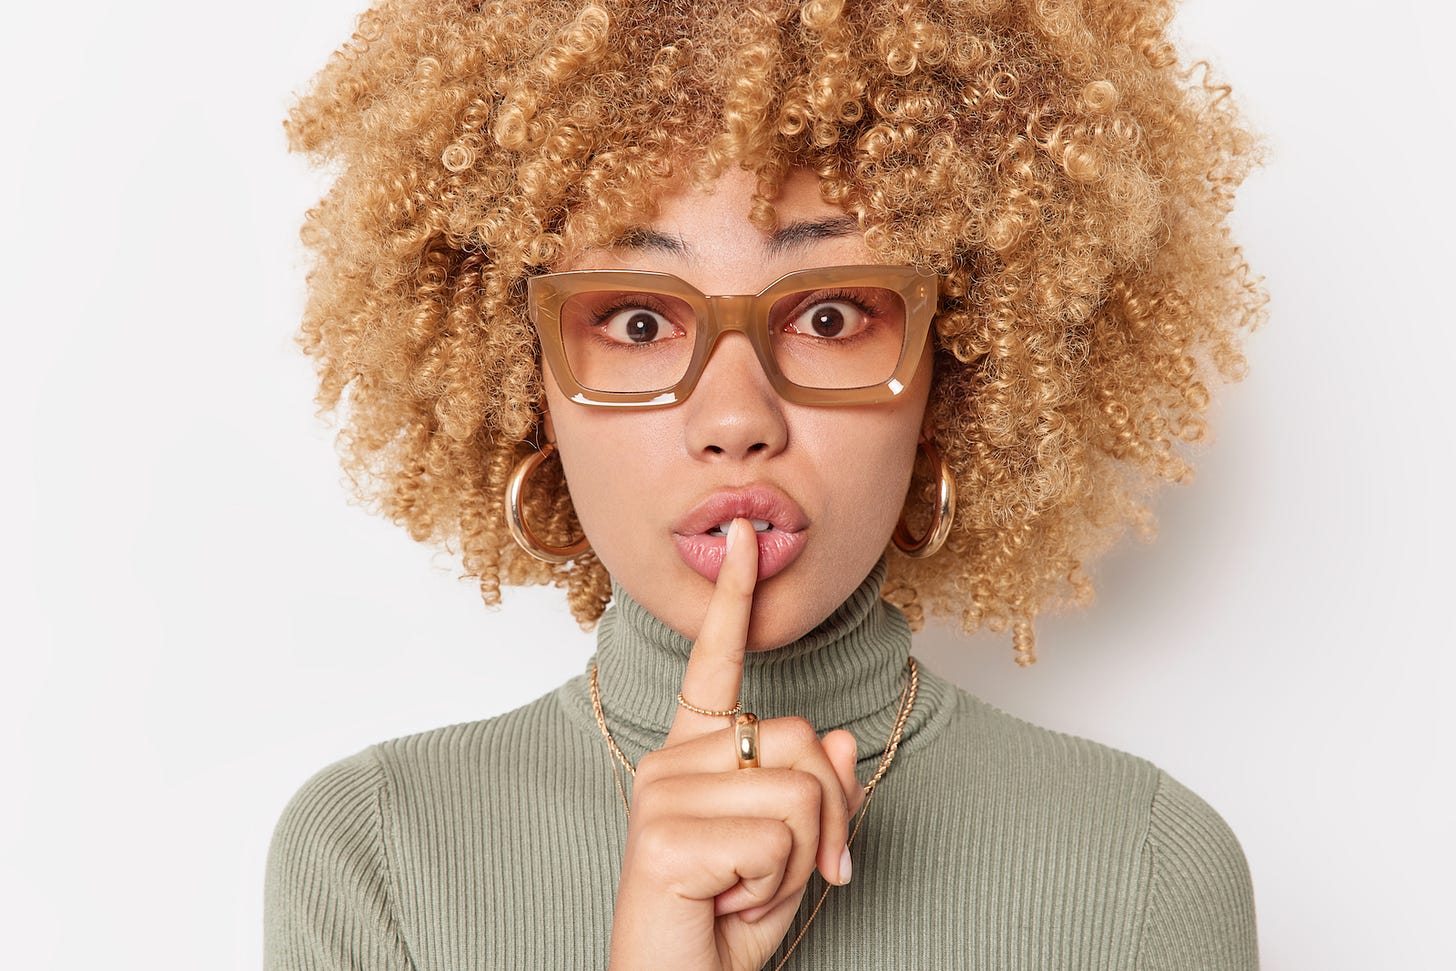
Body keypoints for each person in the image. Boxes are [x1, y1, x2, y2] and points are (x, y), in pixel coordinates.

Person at [265, 0, 1264, 967]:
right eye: (639, 321)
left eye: (830, 316)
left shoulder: (1142, 867)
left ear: (953, 373)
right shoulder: (380, 858)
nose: (736, 420)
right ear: (526, 384)